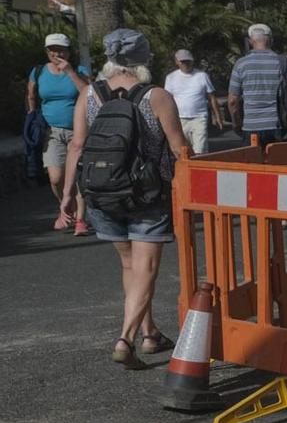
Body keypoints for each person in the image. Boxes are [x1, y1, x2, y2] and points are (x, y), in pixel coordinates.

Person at [59, 29, 190, 366]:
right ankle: (125, 339)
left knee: (130, 265)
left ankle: (150, 334)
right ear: (144, 60)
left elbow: (77, 145)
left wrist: (68, 194)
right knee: (146, 267)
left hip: (103, 192)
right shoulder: (156, 96)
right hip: (147, 195)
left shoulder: (90, 93)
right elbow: (178, 149)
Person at [26, 33, 93, 234]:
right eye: (53, 49)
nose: (57, 53)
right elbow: (31, 95)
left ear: (69, 52)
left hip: (78, 130)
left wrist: (70, 72)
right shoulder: (38, 72)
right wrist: (32, 117)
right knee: (55, 177)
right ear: (47, 52)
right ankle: (67, 206)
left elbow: (89, 94)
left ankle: (80, 219)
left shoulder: (80, 70)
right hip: (51, 131)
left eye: (61, 49)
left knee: (79, 176)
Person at [163, 49, 222, 156]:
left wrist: (217, 117)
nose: (186, 64)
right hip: (179, 119)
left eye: (188, 61)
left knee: (200, 150)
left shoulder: (202, 76)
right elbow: (167, 100)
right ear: (177, 62)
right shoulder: (171, 78)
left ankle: (201, 170)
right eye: (183, 61)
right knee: (182, 152)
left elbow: (211, 97)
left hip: (199, 118)